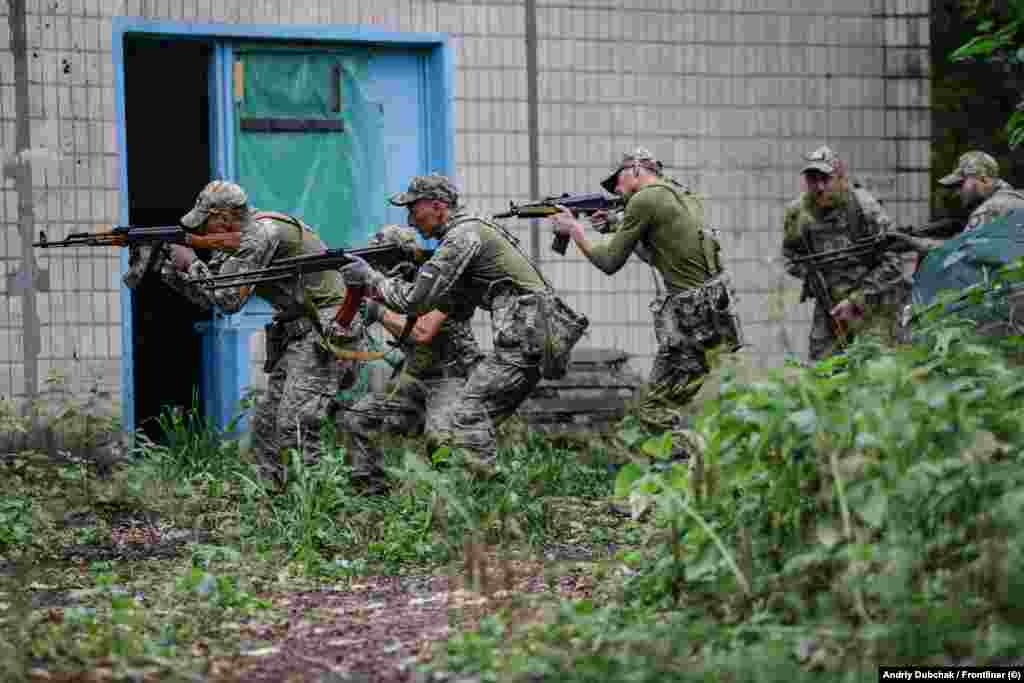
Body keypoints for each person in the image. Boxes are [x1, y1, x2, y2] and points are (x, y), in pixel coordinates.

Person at [339, 174, 575, 479]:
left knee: (465, 417)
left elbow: (414, 302)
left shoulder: (463, 235)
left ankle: (482, 496)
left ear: (438, 206)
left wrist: (371, 280)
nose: (411, 220)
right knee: (468, 417)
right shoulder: (469, 234)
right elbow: (452, 302)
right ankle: (475, 494)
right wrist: (413, 271)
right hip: (528, 332)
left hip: (524, 335)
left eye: (414, 209)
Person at [166, 180, 368, 485]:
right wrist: (172, 272)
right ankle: (275, 499)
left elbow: (230, 300)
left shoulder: (263, 232)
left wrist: (192, 262)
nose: (203, 233)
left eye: (206, 224)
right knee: (267, 425)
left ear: (224, 217)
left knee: (294, 424)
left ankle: (314, 504)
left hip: (324, 329)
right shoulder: (244, 239)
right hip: (298, 334)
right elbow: (214, 296)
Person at [548, 148, 742, 442]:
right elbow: (660, 255)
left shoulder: (644, 199)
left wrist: (576, 230)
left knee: (653, 409)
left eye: (618, 178)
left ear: (637, 169)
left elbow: (609, 263)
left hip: (693, 319)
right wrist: (618, 225)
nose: (615, 187)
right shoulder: (678, 193)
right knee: (704, 400)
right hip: (716, 311)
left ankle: (691, 471)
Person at [338, 225, 484, 494]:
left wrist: (378, 311)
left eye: (385, 262)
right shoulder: (392, 289)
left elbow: (422, 332)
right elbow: (347, 330)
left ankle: (459, 500)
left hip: (453, 378)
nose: (380, 271)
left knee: (441, 438)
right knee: (358, 417)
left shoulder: (441, 285)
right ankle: (370, 491)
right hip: (415, 378)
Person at [782, 145, 909, 361]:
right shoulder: (799, 213)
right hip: (830, 309)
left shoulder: (864, 206)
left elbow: (894, 262)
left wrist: (856, 300)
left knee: (875, 374)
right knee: (824, 376)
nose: (820, 186)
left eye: (826, 178)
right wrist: (814, 279)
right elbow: (791, 257)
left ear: (841, 178)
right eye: (813, 179)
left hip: (872, 307)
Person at [939, 150, 1024, 232]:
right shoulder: (1015, 200)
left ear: (984, 179)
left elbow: (969, 246)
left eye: (961, 184)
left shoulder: (991, 209)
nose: (958, 192)